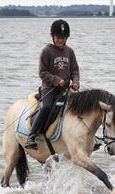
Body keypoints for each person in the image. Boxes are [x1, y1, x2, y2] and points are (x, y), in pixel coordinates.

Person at [26, 19, 80, 149]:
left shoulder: (70, 51)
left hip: (65, 89)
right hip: (49, 88)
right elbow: (42, 72)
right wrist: (56, 80)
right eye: (58, 37)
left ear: (66, 38)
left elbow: (74, 69)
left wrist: (76, 81)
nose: (60, 40)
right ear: (52, 36)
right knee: (47, 106)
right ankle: (31, 136)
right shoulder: (47, 51)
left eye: (63, 37)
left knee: (80, 105)